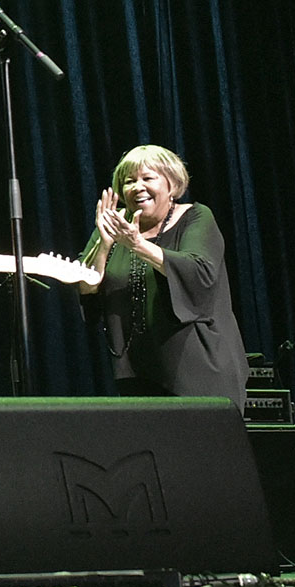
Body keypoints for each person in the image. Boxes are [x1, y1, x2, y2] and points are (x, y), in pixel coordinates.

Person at [78, 145, 249, 412]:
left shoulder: (196, 217)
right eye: (129, 181)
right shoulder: (113, 226)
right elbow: (87, 287)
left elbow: (200, 273)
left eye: (148, 178)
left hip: (198, 370)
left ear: (171, 184)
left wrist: (137, 245)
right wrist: (103, 244)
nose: (137, 187)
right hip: (137, 371)